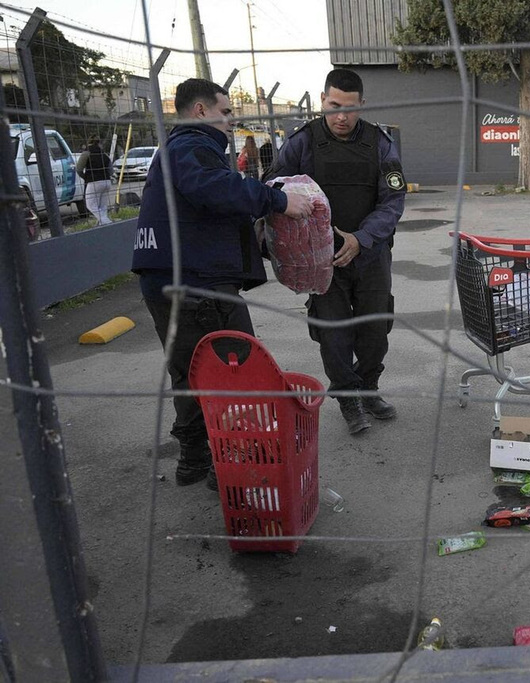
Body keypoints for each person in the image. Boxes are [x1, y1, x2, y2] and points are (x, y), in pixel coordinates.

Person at [131, 78, 313, 488]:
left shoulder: (175, 149)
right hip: (199, 285)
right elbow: (213, 188)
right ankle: (230, 467)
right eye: (226, 112)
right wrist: (278, 200)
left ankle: (195, 461)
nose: (231, 121)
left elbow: (203, 207)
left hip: (169, 279)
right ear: (201, 111)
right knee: (236, 373)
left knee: (189, 373)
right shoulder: (190, 146)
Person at [266, 68, 406, 435]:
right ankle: (348, 399)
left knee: (375, 328)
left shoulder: (380, 143)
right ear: (322, 100)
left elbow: (393, 201)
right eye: (333, 106)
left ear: (362, 105)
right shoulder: (302, 142)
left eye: (350, 108)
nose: (341, 116)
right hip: (319, 259)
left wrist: (360, 239)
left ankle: (368, 388)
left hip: (370, 253)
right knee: (333, 333)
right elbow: (275, 189)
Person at [76, 135, 113, 225]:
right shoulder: (104, 154)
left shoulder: (86, 153)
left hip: (94, 182)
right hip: (107, 182)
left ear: (88, 143)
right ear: (99, 143)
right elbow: (111, 171)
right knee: (102, 206)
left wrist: (86, 177)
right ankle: (102, 225)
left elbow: (79, 169)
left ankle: (107, 222)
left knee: (90, 205)